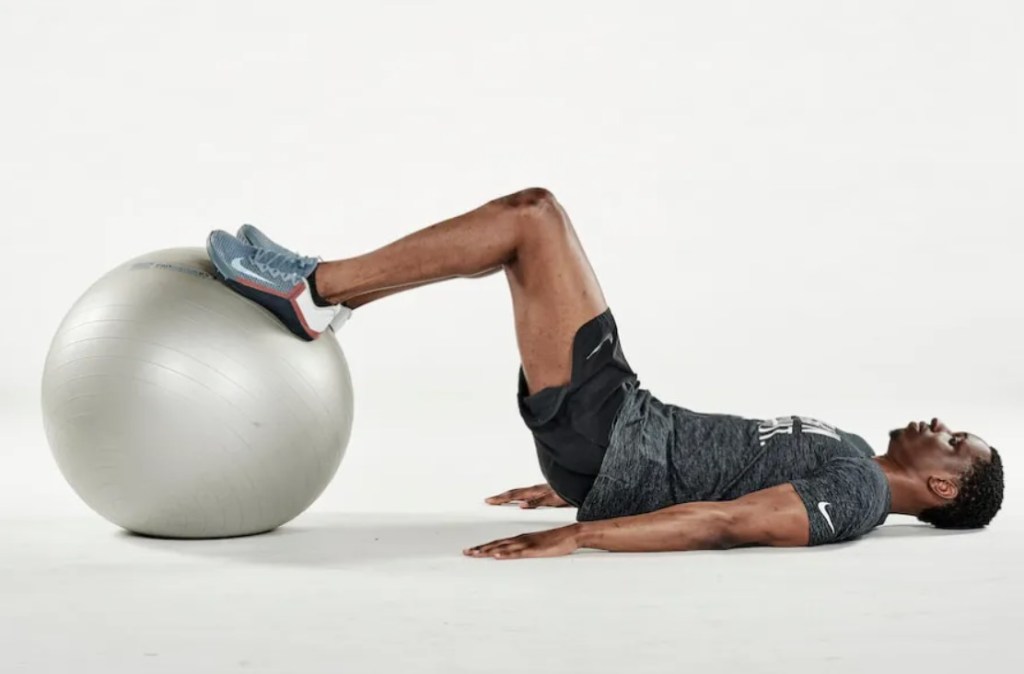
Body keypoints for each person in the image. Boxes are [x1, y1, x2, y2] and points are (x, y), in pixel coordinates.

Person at [205, 188, 1005, 559]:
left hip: (615, 433)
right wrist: (578, 486)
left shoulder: (858, 496)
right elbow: (726, 466)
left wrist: (586, 531)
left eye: (955, 441)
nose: (941, 425)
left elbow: (730, 522)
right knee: (527, 232)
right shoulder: (855, 447)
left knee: (533, 220)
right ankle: (322, 293)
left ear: (940, 488)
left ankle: (315, 288)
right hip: (617, 440)